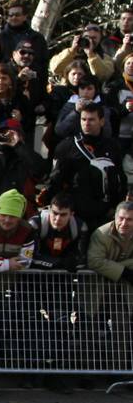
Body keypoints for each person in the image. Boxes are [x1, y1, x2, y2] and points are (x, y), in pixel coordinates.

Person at [46, 101, 127, 229]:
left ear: (102, 121)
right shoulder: (67, 146)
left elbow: (120, 178)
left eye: (91, 119)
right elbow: (55, 180)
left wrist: (115, 207)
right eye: (83, 119)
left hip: (105, 213)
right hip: (76, 215)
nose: (87, 123)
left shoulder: (113, 146)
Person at [29, 194, 87, 271]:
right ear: (49, 210)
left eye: (63, 215)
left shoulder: (80, 227)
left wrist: (73, 262)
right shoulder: (35, 224)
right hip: (36, 275)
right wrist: (58, 263)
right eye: (55, 213)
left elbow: (82, 259)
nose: (58, 219)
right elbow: (28, 257)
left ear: (71, 214)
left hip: (66, 276)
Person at [87, 199, 133, 282]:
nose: (124, 223)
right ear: (114, 217)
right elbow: (94, 261)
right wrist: (124, 272)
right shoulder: (101, 234)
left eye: (129, 219)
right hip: (100, 281)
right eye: (121, 218)